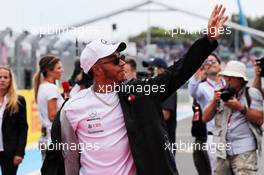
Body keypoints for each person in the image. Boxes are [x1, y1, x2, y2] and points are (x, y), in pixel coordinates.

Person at [60, 5, 227, 175]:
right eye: (115, 60)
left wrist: (207, 41)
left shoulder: (140, 92)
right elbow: (69, 160)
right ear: (96, 69)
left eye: (122, 57)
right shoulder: (72, 108)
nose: (123, 63)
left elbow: (177, 72)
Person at [203, 60, 263, 175]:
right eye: (226, 76)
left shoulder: (252, 93)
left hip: (244, 150)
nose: (228, 79)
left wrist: (241, 108)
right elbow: (205, 118)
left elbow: (260, 118)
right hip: (222, 150)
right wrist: (214, 102)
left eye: (232, 77)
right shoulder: (221, 94)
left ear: (241, 79)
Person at [188, 53, 223, 174]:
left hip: (232, 135)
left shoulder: (227, 83)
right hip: (213, 135)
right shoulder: (202, 87)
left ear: (220, 65)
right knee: (216, 171)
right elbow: (192, 90)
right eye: (207, 62)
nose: (210, 64)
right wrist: (198, 66)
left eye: (213, 61)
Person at [143, 58, 178, 152]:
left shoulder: (168, 87)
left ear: (162, 70)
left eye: (151, 69)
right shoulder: (152, 87)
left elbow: (165, 115)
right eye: (148, 69)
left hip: (165, 143)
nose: (148, 72)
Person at [33, 55, 64, 160]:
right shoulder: (51, 88)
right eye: (59, 68)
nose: (62, 71)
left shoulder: (42, 86)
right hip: (53, 137)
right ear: (49, 70)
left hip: (46, 136)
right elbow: (52, 116)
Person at [0, 66, 28, 175]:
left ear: (10, 80)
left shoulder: (19, 101)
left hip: (10, 152)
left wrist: (19, 152)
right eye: (0, 77)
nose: (2, 79)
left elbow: (23, 128)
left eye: (5, 77)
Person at [189, 67, 211, 175]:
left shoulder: (209, 89)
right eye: (200, 69)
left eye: (203, 70)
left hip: (208, 136)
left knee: (212, 169)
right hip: (198, 136)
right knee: (200, 166)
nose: (201, 72)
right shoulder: (197, 90)